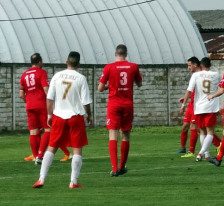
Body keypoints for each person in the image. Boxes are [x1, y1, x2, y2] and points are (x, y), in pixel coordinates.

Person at [33, 51, 92, 189]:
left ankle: (41, 179)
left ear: (66, 62)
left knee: (51, 147)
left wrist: (49, 115)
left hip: (59, 116)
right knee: (77, 149)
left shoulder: (57, 76)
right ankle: (73, 181)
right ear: (79, 64)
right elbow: (86, 101)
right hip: (75, 116)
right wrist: (89, 115)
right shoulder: (81, 78)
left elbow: (49, 98)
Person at [99, 44, 142, 177]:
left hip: (114, 104)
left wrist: (107, 86)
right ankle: (122, 167)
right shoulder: (133, 66)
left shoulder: (109, 67)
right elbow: (139, 84)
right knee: (126, 135)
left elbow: (100, 88)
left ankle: (114, 168)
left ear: (115, 54)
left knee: (113, 134)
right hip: (128, 104)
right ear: (126, 54)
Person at [20, 54, 71, 164]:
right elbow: (46, 90)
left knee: (34, 132)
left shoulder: (24, 74)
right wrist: (52, 102)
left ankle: (36, 156)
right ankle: (40, 155)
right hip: (42, 105)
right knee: (49, 130)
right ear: (39, 62)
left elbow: (21, 94)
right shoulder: (41, 72)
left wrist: (28, 101)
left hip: (30, 106)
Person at [183, 57, 222, 162]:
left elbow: (189, 90)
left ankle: (207, 154)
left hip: (199, 107)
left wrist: (183, 105)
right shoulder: (216, 75)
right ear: (210, 65)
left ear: (201, 65)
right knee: (210, 131)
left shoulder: (195, 75)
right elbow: (223, 87)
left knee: (202, 131)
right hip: (210, 106)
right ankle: (201, 153)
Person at [177, 57, 201, 156]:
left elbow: (192, 91)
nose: (188, 68)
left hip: (197, 105)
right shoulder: (194, 75)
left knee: (197, 128)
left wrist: (183, 104)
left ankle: (191, 151)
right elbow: (192, 91)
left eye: (189, 65)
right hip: (191, 104)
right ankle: (183, 148)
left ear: (195, 65)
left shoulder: (199, 75)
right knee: (185, 126)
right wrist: (186, 98)